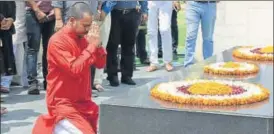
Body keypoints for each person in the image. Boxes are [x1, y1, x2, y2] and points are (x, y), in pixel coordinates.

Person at [32, 2, 106, 134]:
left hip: (84, 103)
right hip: (63, 105)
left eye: (90, 26)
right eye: (85, 25)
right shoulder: (57, 41)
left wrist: (98, 45)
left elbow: (100, 64)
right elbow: (74, 70)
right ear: (72, 20)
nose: (88, 30)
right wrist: (91, 47)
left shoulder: (85, 38)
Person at [101, 1, 148, 86]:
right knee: (112, 45)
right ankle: (112, 76)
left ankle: (127, 76)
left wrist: (145, 11)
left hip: (132, 13)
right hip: (114, 13)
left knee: (129, 45)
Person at [25, 0, 55, 94]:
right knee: (32, 49)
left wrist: (56, 10)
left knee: (50, 49)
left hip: (52, 14)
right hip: (33, 12)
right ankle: (33, 83)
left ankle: (49, 81)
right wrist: (37, 10)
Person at [184, 1, 217, 67]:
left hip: (209, 5)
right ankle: (188, 65)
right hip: (192, 5)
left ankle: (208, 64)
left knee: (208, 38)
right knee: (190, 37)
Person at [146, 1, 173, 72]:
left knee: (165, 29)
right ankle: (153, 62)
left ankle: (167, 61)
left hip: (165, 3)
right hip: (151, 2)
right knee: (151, 32)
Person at [0, 1, 17, 93]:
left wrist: (11, 19)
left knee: (7, 56)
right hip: (2, 20)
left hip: (6, 26)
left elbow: (12, 5)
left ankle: (4, 82)